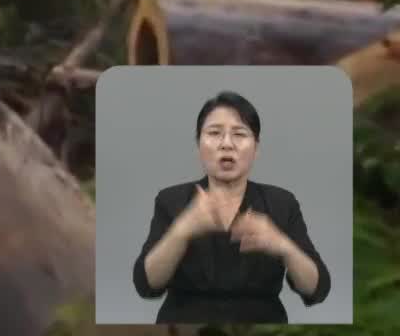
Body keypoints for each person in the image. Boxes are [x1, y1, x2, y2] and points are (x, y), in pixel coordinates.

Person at [132, 90, 331, 324]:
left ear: (256, 148)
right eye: (215, 133)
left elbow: (317, 289)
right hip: (185, 328)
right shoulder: (172, 200)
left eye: (239, 134)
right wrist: (181, 231)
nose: (227, 144)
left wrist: (282, 245)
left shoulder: (281, 203)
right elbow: (146, 284)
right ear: (198, 145)